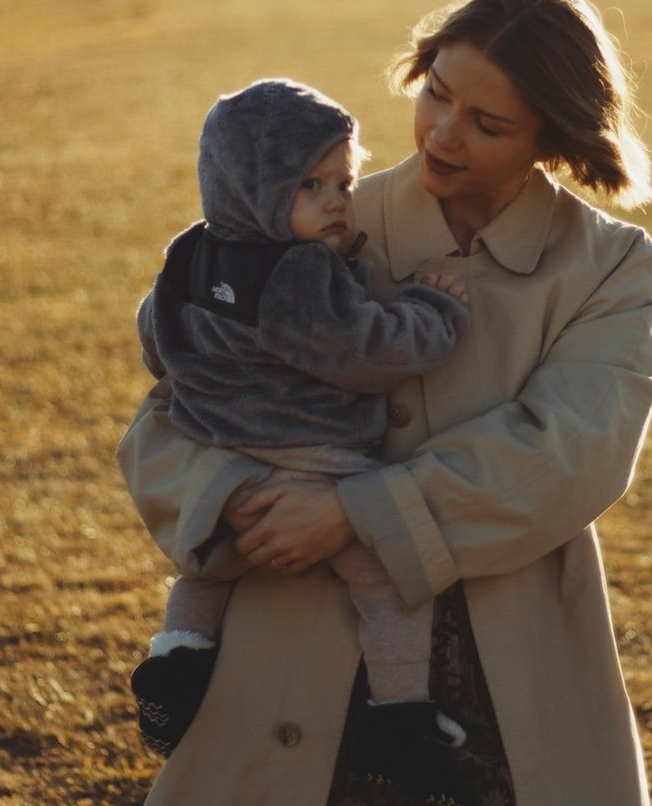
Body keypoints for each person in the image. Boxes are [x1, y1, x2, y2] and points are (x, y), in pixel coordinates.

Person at [118, 0, 652, 806]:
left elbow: (573, 450)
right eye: (435, 94)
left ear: (553, 137)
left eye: (485, 123)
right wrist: (236, 499)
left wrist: (356, 510)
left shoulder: (612, 265)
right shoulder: (312, 224)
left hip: (512, 672)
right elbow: (167, 418)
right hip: (288, 654)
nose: (441, 134)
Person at [128, 79, 472, 794]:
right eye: (310, 184)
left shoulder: (188, 253)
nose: (338, 201)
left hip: (224, 459)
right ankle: (400, 710)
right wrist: (433, 309)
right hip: (317, 459)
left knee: (207, 569)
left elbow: (154, 343)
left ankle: (177, 651)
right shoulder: (299, 274)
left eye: (343, 181)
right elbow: (365, 351)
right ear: (255, 187)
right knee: (386, 583)